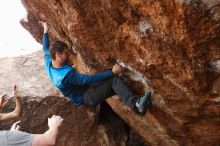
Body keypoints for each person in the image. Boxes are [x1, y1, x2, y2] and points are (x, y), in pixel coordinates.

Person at [39, 21, 151, 115]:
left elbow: (45, 48)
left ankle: (137, 105)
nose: (68, 54)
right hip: (87, 97)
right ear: (58, 54)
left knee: (117, 84)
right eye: (65, 53)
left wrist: (45, 31)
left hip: (87, 91)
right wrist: (112, 72)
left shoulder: (49, 62)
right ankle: (137, 105)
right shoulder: (65, 76)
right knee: (114, 80)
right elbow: (87, 80)